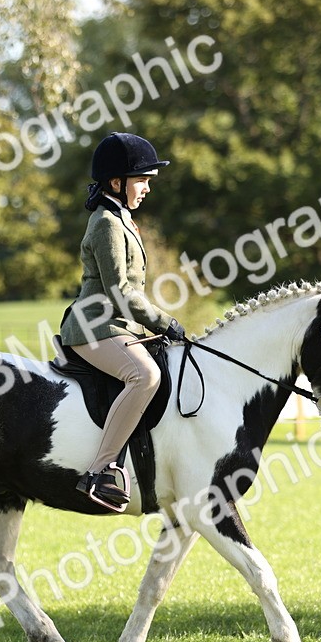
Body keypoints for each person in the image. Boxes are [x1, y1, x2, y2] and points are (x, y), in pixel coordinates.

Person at [60, 132, 187, 510]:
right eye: (142, 180)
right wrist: (164, 322)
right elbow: (120, 292)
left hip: (118, 327)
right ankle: (99, 471)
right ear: (117, 183)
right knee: (144, 376)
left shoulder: (121, 218)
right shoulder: (106, 224)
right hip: (94, 326)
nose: (147, 188)